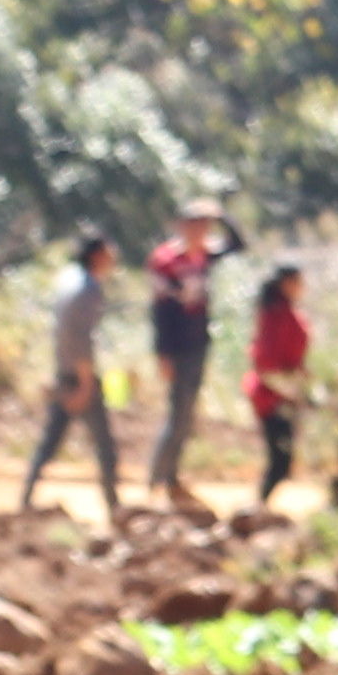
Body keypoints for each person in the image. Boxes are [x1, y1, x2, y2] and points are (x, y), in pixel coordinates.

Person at [19, 234, 121, 523]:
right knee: (104, 446)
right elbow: (80, 339)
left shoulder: (68, 281)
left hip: (63, 373)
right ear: (98, 256)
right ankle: (115, 510)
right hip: (79, 378)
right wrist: (86, 383)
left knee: (49, 443)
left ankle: (25, 500)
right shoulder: (88, 290)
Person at [144, 203, 229, 510]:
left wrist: (222, 216)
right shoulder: (166, 260)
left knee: (187, 414)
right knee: (177, 413)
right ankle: (157, 478)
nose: (200, 231)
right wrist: (162, 353)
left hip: (198, 344)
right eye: (195, 224)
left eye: (205, 225)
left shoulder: (205, 254)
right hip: (176, 347)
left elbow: (239, 245)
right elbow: (160, 310)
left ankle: (171, 476)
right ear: (181, 225)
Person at [244, 263, 311, 517]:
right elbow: (265, 364)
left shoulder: (284, 313)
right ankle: (256, 510)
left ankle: (257, 509)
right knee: (279, 460)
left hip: (284, 394)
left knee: (282, 459)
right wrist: (290, 390)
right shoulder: (274, 316)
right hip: (271, 397)